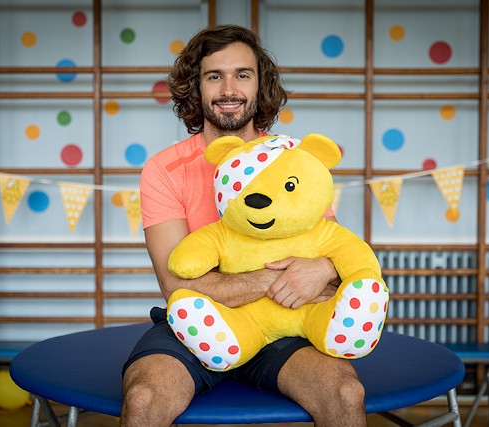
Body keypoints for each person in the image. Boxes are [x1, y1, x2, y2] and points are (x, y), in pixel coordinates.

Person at [120, 24, 367, 427]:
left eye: (242, 75)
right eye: (214, 76)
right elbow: (176, 284)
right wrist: (279, 280)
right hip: (196, 323)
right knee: (145, 399)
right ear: (195, 88)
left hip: (284, 326)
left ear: (260, 85)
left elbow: (331, 252)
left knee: (345, 393)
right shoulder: (163, 169)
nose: (229, 88)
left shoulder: (291, 160)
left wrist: (325, 268)